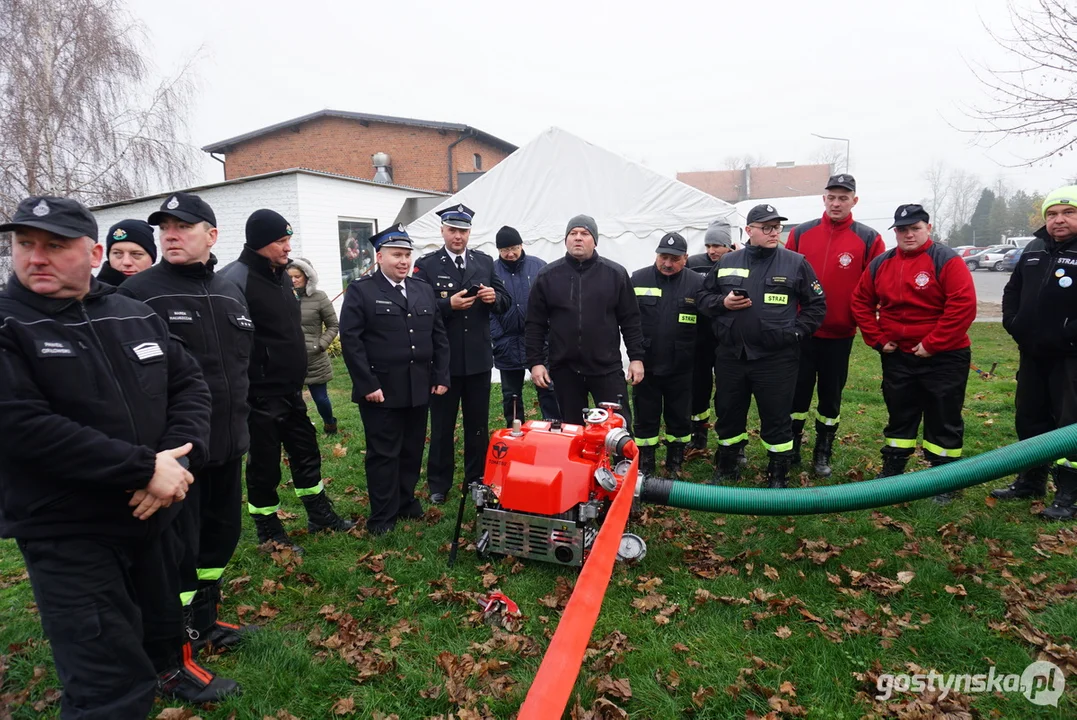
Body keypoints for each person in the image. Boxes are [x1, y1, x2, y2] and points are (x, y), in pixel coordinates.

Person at [0, 196, 237, 714]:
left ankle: (169, 671)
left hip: (151, 515)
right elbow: (20, 424)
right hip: (70, 530)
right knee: (107, 678)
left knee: (157, 633)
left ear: (92, 251)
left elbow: (190, 384)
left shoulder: (129, 313)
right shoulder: (8, 323)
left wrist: (176, 461)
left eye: (55, 245)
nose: (35, 257)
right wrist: (145, 469)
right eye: (24, 244)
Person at [120, 192, 254, 660]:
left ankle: (205, 618)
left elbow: (240, 366)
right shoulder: (138, 294)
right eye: (164, 229)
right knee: (176, 551)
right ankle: (172, 639)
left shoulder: (228, 290)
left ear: (211, 235)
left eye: (183, 227)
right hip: (175, 455)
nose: (170, 236)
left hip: (229, 442)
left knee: (220, 538)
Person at [219, 209, 354, 550]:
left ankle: (319, 514)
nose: (287, 247)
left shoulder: (281, 276)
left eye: (288, 239)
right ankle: (268, 530)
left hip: (292, 390)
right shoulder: (234, 280)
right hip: (258, 395)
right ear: (260, 242)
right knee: (264, 467)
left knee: (306, 451)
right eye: (281, 241)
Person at [850, 204, 976, 502]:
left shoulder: (946, 260)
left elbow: (963, 306)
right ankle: (893, 470)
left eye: (915, 229)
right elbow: (860, 302)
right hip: (898, 356)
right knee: (900, 414)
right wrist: (878, 339)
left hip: (945, 356)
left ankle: (945, 479)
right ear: (895, 231)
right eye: (902, 230)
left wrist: (934, 343)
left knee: (943, 416)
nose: (908, 235)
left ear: (927, 228)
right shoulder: (882, 263)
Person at [701, 204, 827, 488]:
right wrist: (723, 303)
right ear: (749, 231)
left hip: (776, 358)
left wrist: (796, 333)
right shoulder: (728, 261)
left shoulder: (795, 263)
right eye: (767, 228)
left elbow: (816, 305)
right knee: (729, 412)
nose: (774, 233)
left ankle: (778, 474)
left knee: (777, 416)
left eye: (777, 227)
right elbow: (703, 298)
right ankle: (727, 467)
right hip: (732, 356)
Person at [339, 225, 450, 534]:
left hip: (418, 385)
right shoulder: (362, 290)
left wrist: (441, 374)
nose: (403, 261)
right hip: (382, 389)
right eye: (396, 255)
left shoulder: (421, 288)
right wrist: (367, 384)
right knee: (384, 453)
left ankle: (405, 501)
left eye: (406, 255)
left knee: (412, 449)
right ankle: (383, 515)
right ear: (380, 257)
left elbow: (438, 335)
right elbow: (351, 341)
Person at [785, 174, 886, 477]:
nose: (836, 203)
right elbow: (785, 278)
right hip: (802, 333)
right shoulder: (802, 234)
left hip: (840, 334)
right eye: (832, 197)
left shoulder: (868, 238)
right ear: (824, 199)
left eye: (843, 197)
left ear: (854, 200)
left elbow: (876, 286)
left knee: (831, 397)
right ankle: (792, 449)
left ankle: (822, 453)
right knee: (797, 395)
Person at [412, 205, 510, 505]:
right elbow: (417, 310)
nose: (458, 236)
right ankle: (439, 484)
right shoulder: (427, 265)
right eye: (453, 230)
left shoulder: (483, 262)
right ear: (442, 231)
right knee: (441, 427)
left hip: (479, 360)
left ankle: (476, 478)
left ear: (470, 233)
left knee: (478, 425)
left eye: (463, 231)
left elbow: (505, 300)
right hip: (444, 362)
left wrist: (494, 299)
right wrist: (446, 306)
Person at [992, 185, 1077, 519]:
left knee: (1069, 425)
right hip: (1032, 353)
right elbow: (1013, 289)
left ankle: (1069, 494)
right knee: (1029, 417)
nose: (1059, 220)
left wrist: (1069, 332)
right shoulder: (1034, 248)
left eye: (1068, 213)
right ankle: (1031, 480)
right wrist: (1013, 322)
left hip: (1071, 358)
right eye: (1052, 214)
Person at [525, 214, 645, 427]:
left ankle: (620, 461)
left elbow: (631, 320)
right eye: (573, 234)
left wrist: (636, 358)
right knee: (572, 431)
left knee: (616, 427)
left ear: (595, 240)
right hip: (565, 370)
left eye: (584, 233)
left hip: (605, 368)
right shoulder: (548, 276)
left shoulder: (615, 274)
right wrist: (535, 362)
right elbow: (535, 323)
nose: (578, 238)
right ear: (566, 240)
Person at [630, 231, 710, 478]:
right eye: (663, 257)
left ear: (685, 258)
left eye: (674, 259)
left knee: (679, 417)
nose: (667, 263)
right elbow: (628, 320)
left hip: (683, 365)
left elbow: (707, 325)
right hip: (647, 365)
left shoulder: (697, 283)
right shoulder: (638, 279)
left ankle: (675, 462)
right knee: (645, 417)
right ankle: (646, 463)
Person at [490, 225, 560, 425]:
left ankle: (553, 427)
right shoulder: (491, 271)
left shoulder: (539, 267)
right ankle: (515, 432)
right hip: (506, 343)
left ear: (521, 245)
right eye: (505, 250)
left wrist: (547, 331)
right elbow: (486, 309)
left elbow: (553, 300)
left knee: (548, 388)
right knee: (511, 395)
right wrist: (498, 336)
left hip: (539, 341)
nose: (510, 254)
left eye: (514, 248)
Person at [685, 220, 735, 459]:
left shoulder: (738, 263)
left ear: (729, 246)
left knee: (728, 391)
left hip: (729, 339)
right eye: (709, 245)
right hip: (701, 339)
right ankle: (699, 436)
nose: (712, 250)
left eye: (718, 245)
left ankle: (733, 441)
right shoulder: (694, 263)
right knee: (698, 388)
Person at [287, 257, 341, 435]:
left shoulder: (319, 297)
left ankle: (330, 425)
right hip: (290, 359)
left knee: (320, 398)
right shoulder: (282, 297)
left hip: (314, 358)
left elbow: (333, 325)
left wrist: (320, 345)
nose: (293, 280)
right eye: (290, 277)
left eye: (297, 276)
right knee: (293, 401)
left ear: (307, 277)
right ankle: (301, 431)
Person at [96, 218, 157, 285]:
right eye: (117, 253)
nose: (126, 262)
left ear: (152, 257)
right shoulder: (93, 292)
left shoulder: (166, 287)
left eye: (136, 254)